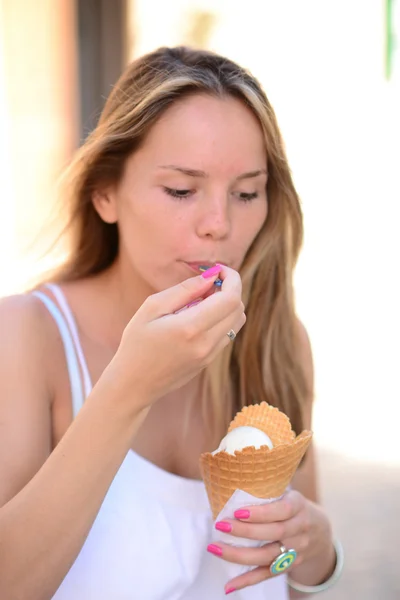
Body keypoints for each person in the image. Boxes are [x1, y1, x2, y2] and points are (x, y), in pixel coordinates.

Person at [0, 46, 341, 599]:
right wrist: (128, 388)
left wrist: (320, 552)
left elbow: (289, 578)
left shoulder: (279, 342)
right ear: (105, 192)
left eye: (247, 192)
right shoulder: (25, 336)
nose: (219, 224)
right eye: (182, 190)